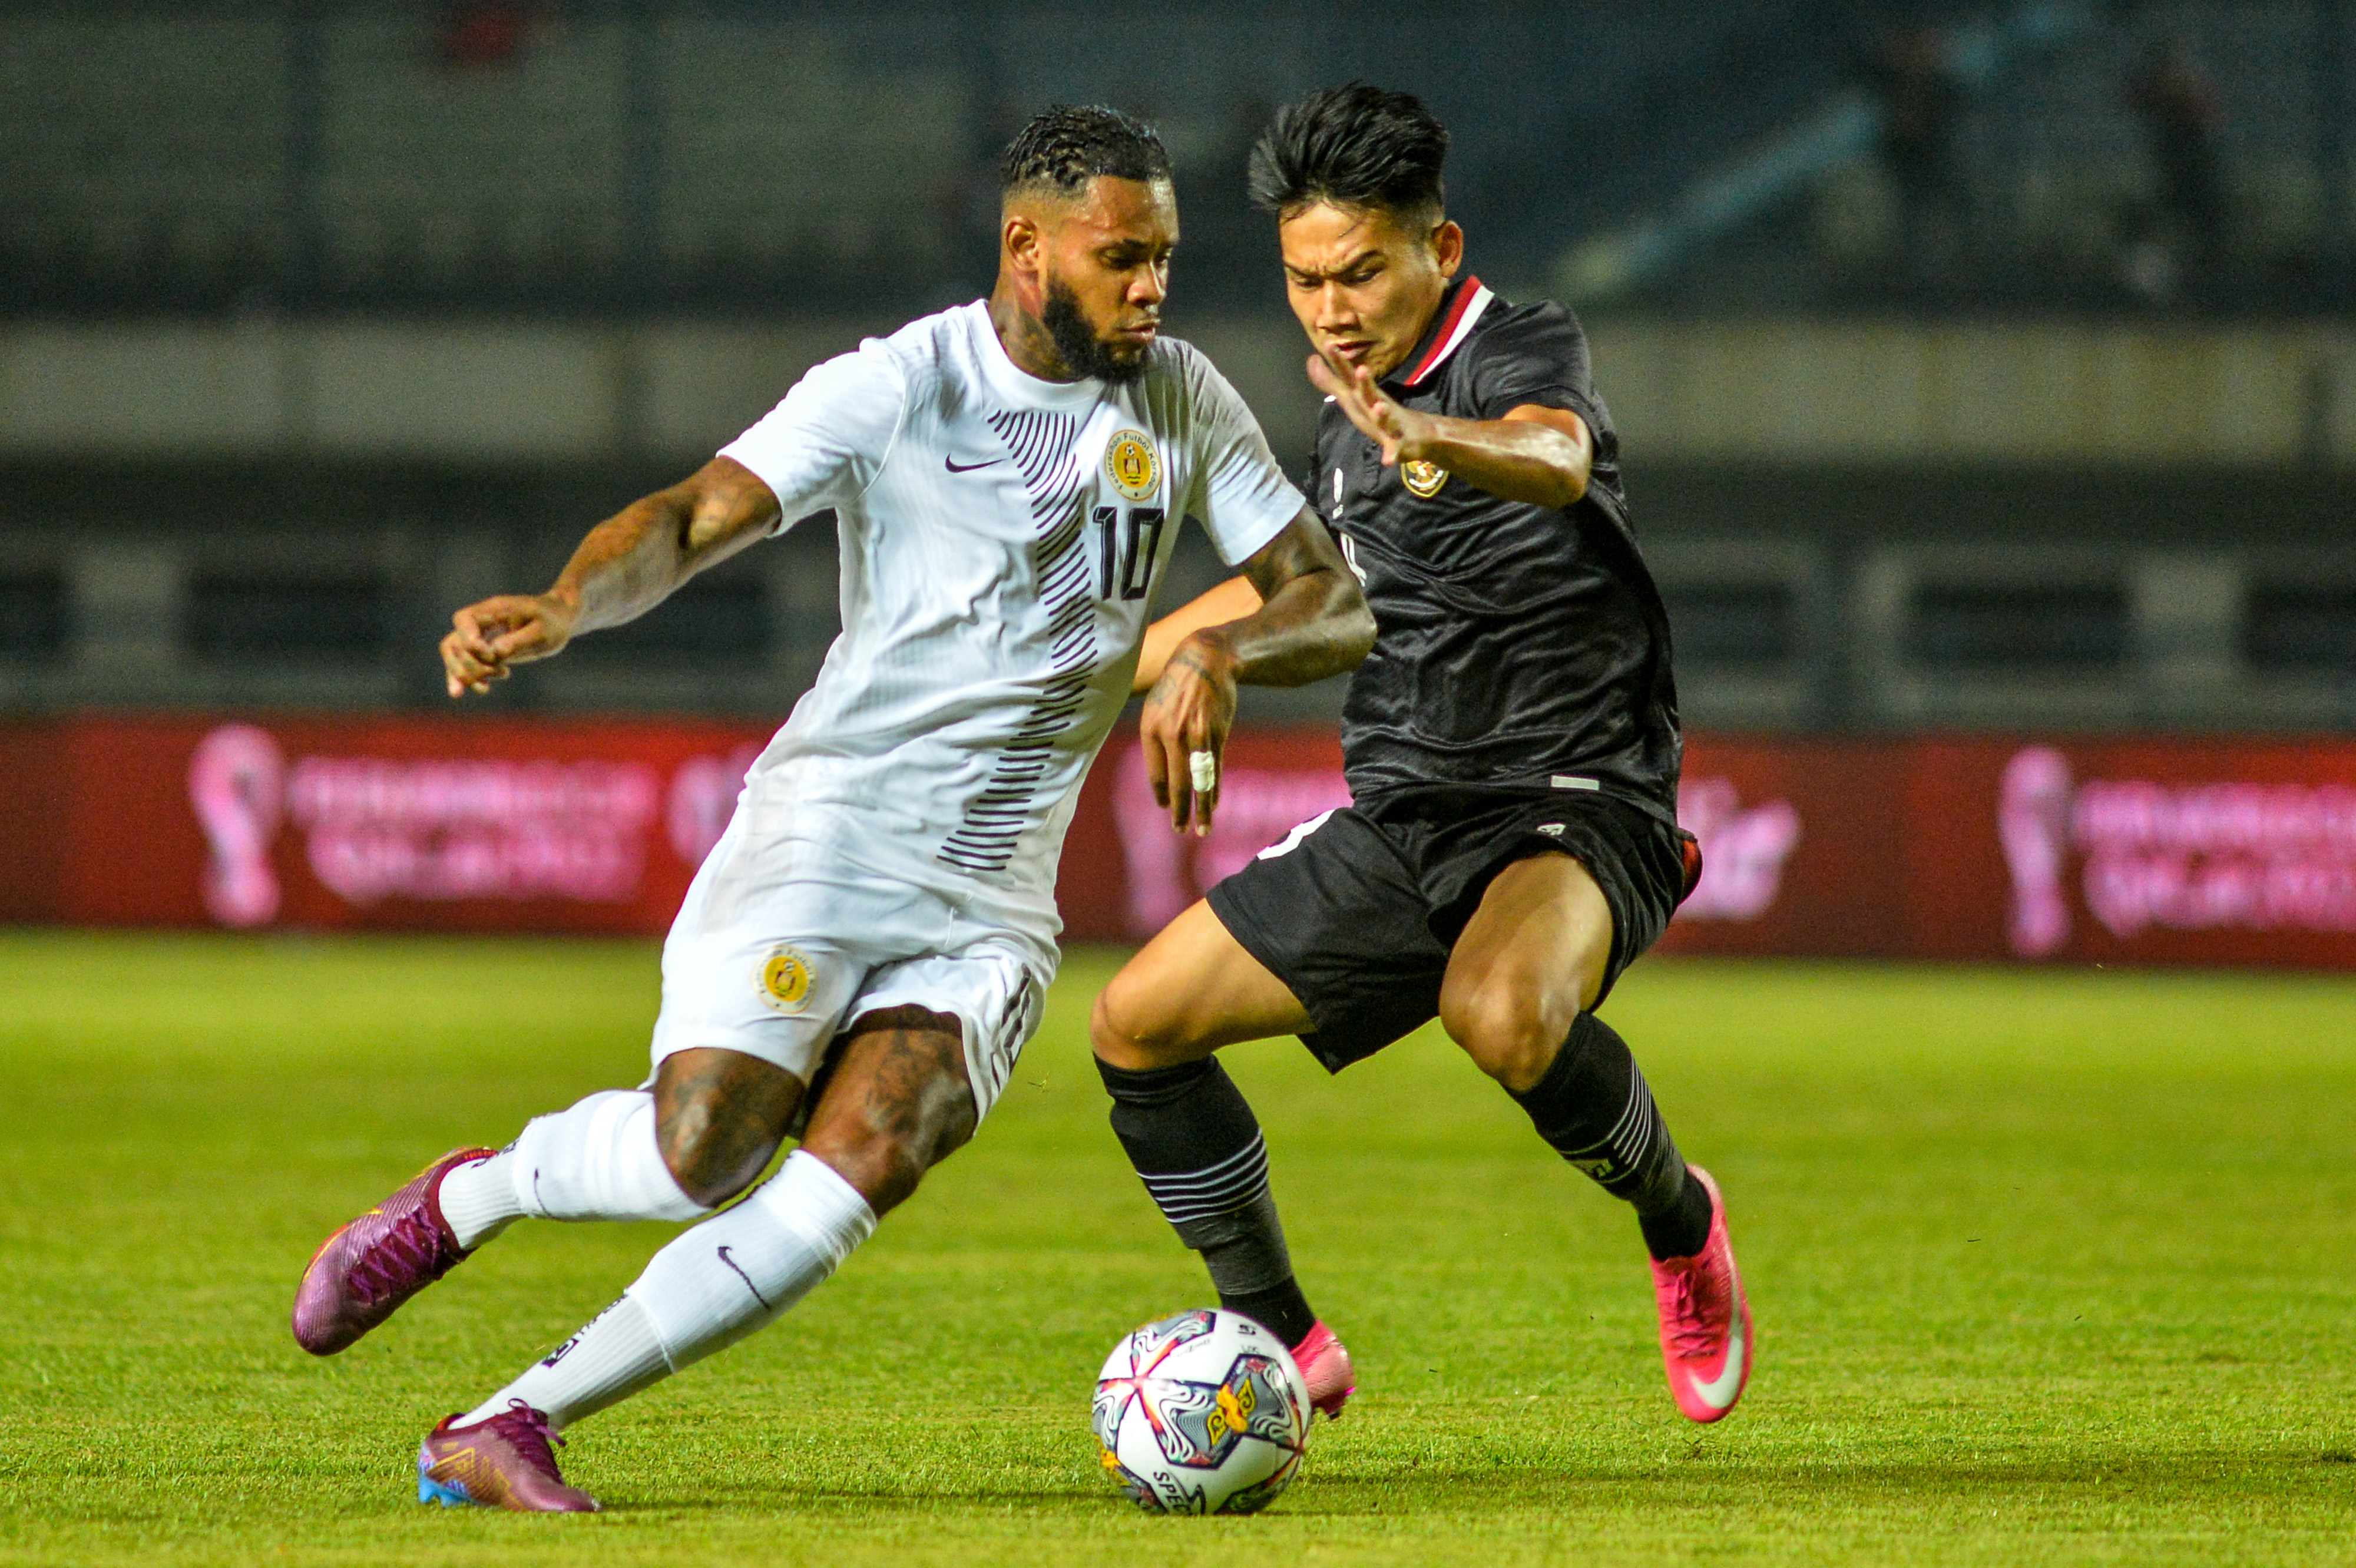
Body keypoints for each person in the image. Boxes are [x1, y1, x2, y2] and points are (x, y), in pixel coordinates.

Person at [290, 104, 1373, 1513]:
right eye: (1120, 257)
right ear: (1024, 244)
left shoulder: (1179, 396)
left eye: (1163, 256)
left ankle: (506, 1420)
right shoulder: (901, 384)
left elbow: (1331, 595)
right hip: (829, 835)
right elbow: (692, 516)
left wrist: (1218, 650)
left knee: (874, 1148)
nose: (1150, 286)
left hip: (991, 898)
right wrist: (565, 606)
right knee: (703, 1152)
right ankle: (473, 1195)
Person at [1095, 84, 1751, 1427]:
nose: (1330, 308)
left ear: (1435, 253)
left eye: (1359, 272)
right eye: (1301, 279)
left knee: (1497, 1014)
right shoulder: (1344, 422)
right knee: (1135, 1026)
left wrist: (1429, 436)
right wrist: (1128, 659)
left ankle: (1679, 1222)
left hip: (1579, 798)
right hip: (1408, 811)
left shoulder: (1516, 347)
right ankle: (1281, 1331)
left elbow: (1554, 460)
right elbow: (1325, 587)